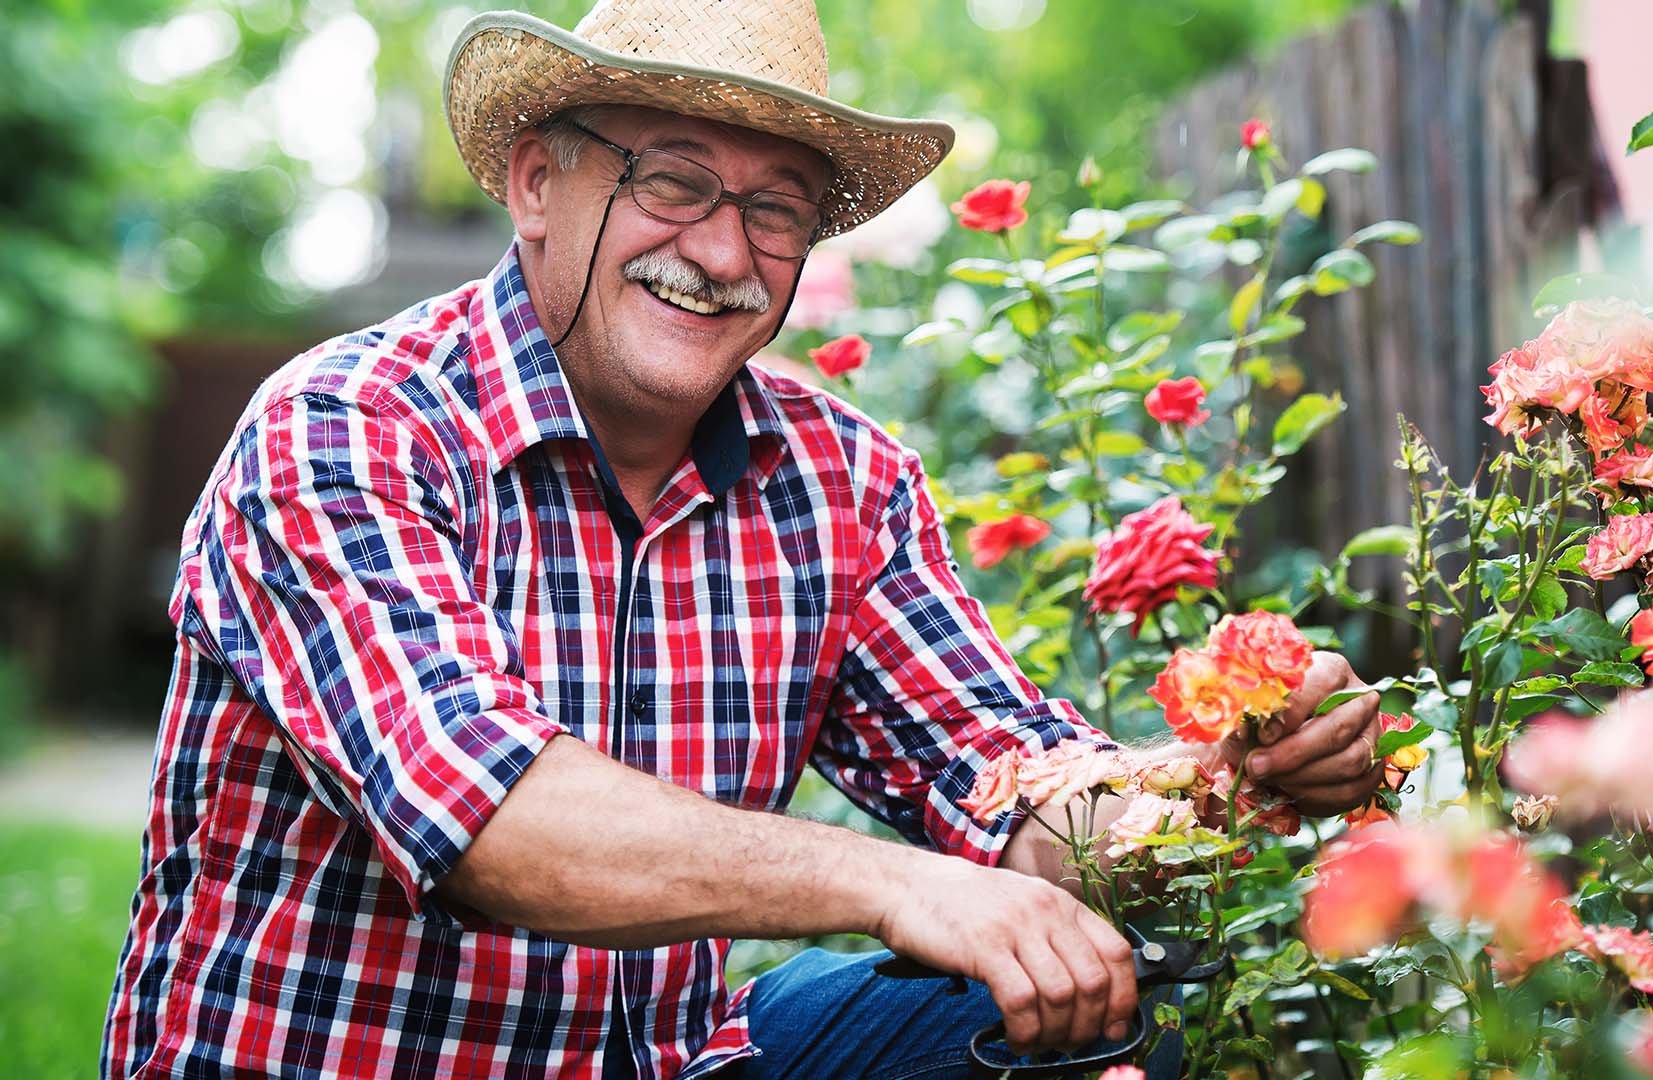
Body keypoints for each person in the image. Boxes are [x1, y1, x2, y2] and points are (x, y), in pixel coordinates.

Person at [100, 1, 1385, 1077]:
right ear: (537, 182)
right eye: (670, 181)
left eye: (777, 210)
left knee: (1131, 1004)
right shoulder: (347, 429)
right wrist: (900, 886)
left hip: (671, 1060)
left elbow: (1007, 779)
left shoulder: (842, 481)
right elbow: (491, 821)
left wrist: (1233, 770)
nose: (721, 250)